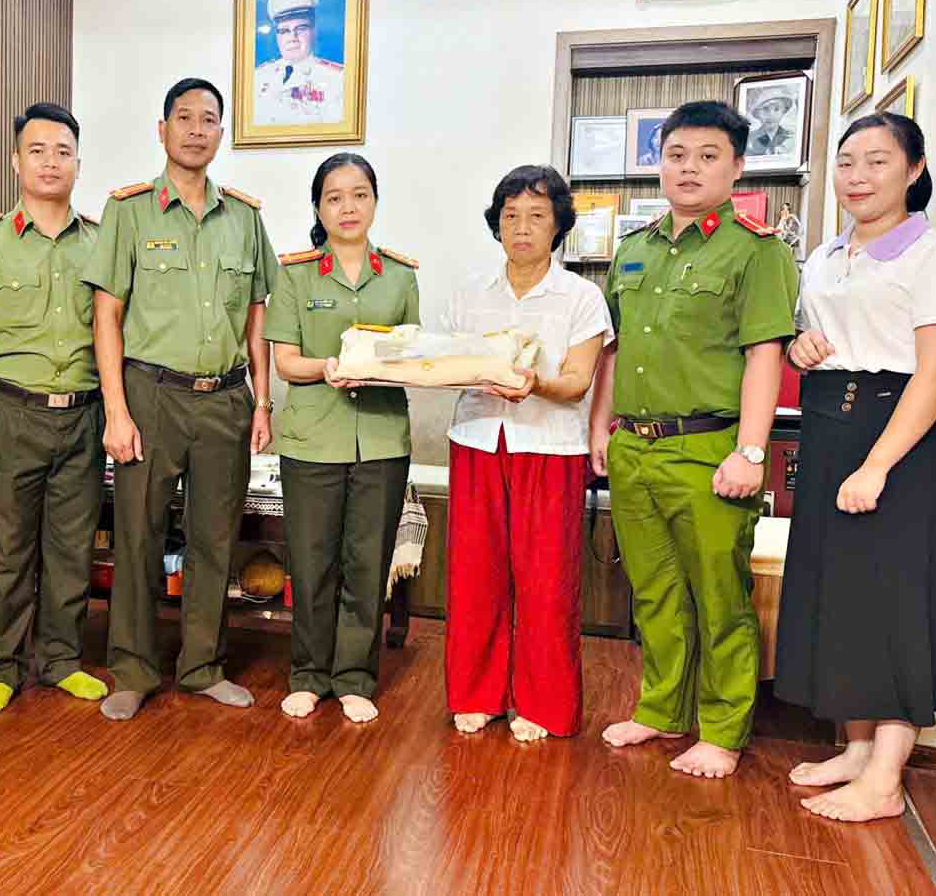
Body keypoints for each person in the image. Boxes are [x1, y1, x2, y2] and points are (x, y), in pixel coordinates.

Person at [775, 112, 936, 822]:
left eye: (877, 161)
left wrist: (877, 465)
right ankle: (858, 750)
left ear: (914, 170)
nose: (857, 177)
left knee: (898, 604)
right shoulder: (824, 256)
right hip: (830, 427)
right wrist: (802, 346)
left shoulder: (934, 254)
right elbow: (821, 335)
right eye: (846, 162)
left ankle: (887, 777)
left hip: (900, 439)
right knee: (847, 598)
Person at [587, 100, 799, 779]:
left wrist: (751, 451)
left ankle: (723, 729)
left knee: (719, 595)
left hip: (710, 447)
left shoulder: (756, 250)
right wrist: (600, 426)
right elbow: (614, 349)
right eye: (676, 154)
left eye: (708, 156)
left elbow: (765, 355)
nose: (689, 168)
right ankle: (661, 708)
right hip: (634, 446)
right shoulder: (634, 249)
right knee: (653, 592)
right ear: (659, 162)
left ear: (737, 167)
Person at [83, 77, 278, 721]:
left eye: (209, 119)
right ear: (162, 129)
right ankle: (133, 669)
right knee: (138, 535)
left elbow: (258, 317)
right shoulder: (129, 211)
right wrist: (116, 409)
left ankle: (201, 667)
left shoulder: (245, 218)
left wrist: (262, 401)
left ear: (222, 133)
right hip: (151, 395)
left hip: (225, 398)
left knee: (214, 539)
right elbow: (106, 315)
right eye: (185, 117)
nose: (197, 129)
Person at [0, 102, 109, 715]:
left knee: (72, 547)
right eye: (37, 151)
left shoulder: (102, 244)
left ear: (78, 163)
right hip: (11, 412)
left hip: (84, 414)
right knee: (5, 549)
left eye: (63, 152)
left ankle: (62, 660)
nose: (50, 162)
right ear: (16, 162)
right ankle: (2, 667)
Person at [445, 165, 612, 742]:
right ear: (496, 224)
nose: (522, 227)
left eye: (537, 216)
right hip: (477, 440)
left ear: (558, 225)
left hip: (550, 447)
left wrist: (534, 384)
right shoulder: (469, 293)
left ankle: (544, 704)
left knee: (546, 580)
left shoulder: (582, 298)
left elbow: (579, 382)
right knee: (475, 575)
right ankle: (477, 694)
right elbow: (451, 366)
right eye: (511, 215)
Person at [266, 153, 418, 725]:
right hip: (312, 439)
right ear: (318, 208)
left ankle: (355, 677)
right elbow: (285, 361)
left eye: (359, 195)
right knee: (312, 562)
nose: (347, 207)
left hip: (381, 438)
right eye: (334, 197)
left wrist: (387, 368)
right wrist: (327, 366)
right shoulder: (295, 274)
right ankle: (308, 675)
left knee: (367, 562)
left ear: (374, 202)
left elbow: (412, 356)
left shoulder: (401, 275)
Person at [252, 0, 345, 126]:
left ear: (314, 31)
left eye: (300, 29)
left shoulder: (337, 79)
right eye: (284, 31)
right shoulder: (258, 77)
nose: (292, 38)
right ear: (277, 35)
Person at [745, 88, 797, 157]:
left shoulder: (791, 137)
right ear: (757, 113)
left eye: (776, 109)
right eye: (765, 109)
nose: (771, 115)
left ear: (783, 111)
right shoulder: (749, 138)